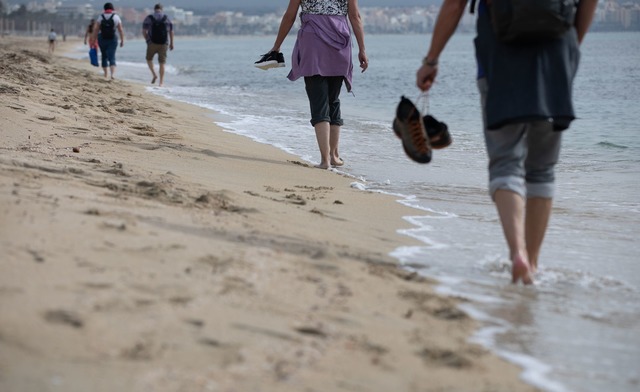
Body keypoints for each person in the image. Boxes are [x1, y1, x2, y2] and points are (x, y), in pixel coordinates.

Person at [415, 0, 598, 284]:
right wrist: (571, 45)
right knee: (542, 168)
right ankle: (533, 264)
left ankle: (517, 255)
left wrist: (431, 60)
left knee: (505, 161)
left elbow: (454, 5)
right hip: (557, 51)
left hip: (498, 55)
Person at [266, 0, 368, 169]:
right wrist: (362, 49)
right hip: (340, 41)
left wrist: (276, 47)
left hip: (312, 43)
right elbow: (355, 16)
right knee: (333, 100)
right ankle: (334, 156)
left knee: (318, 100)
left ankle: (325, 160)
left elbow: (289, 16)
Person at [142, 3, 174, 87]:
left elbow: (144, 31)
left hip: (152, 43)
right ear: (162, 9)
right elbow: (171, 31)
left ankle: (154, 74)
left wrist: (147, 40)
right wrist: (171, 43)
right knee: (162, 63)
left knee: (149, 59)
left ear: (154, 9)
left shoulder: (149, 18)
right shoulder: (166, 18)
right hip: (164, 43)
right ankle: (161, 82)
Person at [92, 2, 124, 80]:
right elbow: (120, 30)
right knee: (112, 56)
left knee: (104, 56)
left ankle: (106, 74)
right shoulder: (116, 17)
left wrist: (93, 39)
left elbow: (96, 29)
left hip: (102, 38)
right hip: (112, 39)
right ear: (112, 9)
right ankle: (112, 74)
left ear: (104, 9)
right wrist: (122, 40)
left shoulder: (101, 17)